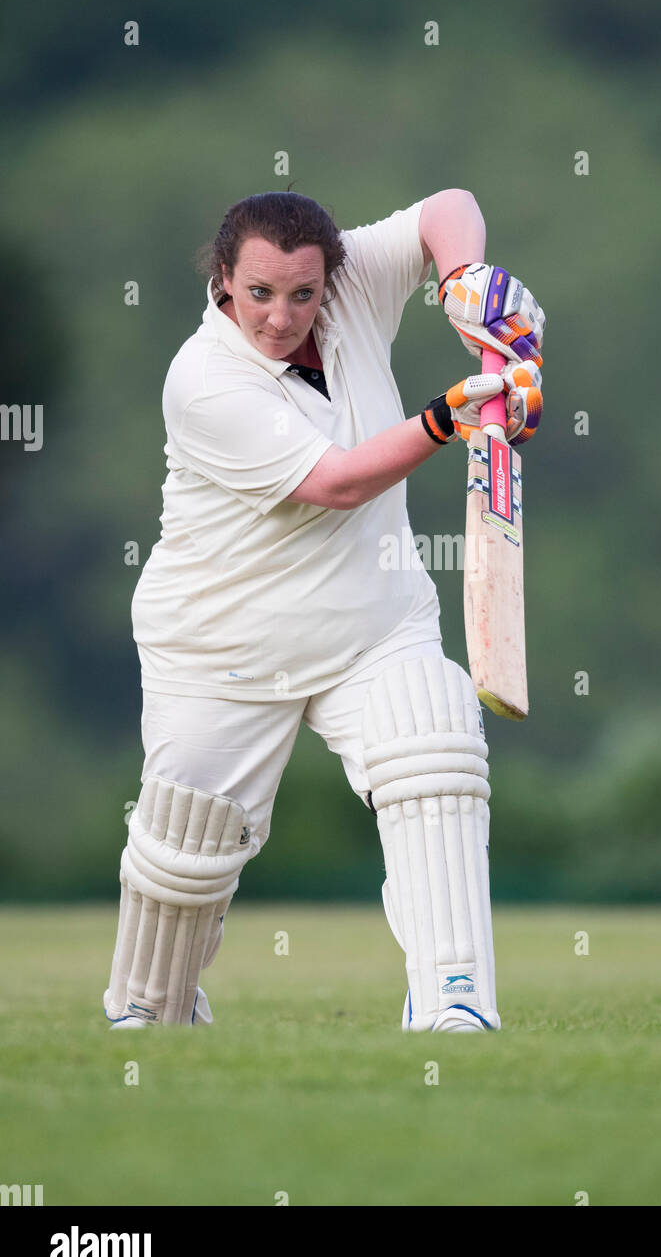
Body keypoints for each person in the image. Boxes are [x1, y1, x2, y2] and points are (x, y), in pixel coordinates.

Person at [104, 188, 544, 1033]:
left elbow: (446, 207)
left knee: (435, 740)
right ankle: (152, 1008)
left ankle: (454, 1001)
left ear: (327, 279)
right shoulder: (202, 382)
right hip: (220, 648)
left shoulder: (347, 286)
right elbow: (337, 483)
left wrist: (464, 281)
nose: (281, 316)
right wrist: (458, 412)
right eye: (259, 293)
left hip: (370, 627)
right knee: (187, 848)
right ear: (224, 279)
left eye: (302, 294)